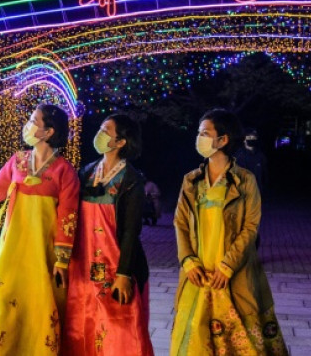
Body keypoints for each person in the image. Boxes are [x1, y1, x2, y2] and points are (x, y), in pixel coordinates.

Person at [0, 104, 79, 355]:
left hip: (43, 254)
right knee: (1, 296)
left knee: (39, 304)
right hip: (11, 249)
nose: (28, 125)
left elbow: (68, 218)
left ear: (48, 132)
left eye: (34, 120)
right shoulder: (17, 161)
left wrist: (61, 261)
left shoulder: (65, 172)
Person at [171, 108, 287, 355]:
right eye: (199, 133)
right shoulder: (191, 181)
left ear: (223, 140)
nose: (199, 138)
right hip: (198, 275)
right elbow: (180, 222)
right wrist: (188, 261)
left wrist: (228, 265)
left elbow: (250, 227)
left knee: (239, 342)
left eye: (205, 133)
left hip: (232, 274)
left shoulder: (245, 180)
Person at [62, 113, 153, 355]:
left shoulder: (131, 180)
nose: (100, 134)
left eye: (106, 130)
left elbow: (132, 230)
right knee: (81, 320)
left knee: (117, 324)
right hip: (84, 263)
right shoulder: (87, 172)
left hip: (114, 264)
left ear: (121, 142)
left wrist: (124, 274)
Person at [235, 129, 268, 194]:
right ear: (244, 140)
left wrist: (264, 186)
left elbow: (264, 172)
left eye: (254, 138)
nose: (252, 139)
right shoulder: (239, 155)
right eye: (249, 137)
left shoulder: (260, 155)